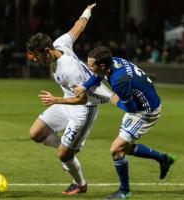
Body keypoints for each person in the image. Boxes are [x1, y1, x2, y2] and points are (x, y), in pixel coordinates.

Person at [26, 3, 112, 195]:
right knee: (35, 134)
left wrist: (55, 100)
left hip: (83, 108)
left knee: (63, 154)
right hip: (67, 100)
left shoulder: (69, 71)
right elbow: (78, 27)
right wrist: (87, 11)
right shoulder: (60, 43)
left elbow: (80, 101)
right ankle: (69, 151)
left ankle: (80, 183)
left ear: (47, 51)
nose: (36, 60)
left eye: (38, 56)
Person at [74, 46, 176, 199]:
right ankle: (163, 159)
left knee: (116, 149)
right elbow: (98, 75)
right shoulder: (114, 62)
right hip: (142, 104)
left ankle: (125, 190)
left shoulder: (119, 81)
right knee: (123, 147)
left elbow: (130, 108)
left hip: (145, 111)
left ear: (102, 65)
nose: (89, 68)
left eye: (91, 66)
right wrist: (85, 86)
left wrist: (114, 101)